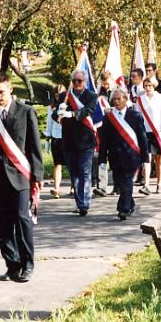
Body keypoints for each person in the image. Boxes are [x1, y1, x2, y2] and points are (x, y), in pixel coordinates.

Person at [0, 74, 43, 282]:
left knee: (22, 219)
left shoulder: (26, 112)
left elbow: (34, 146)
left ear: (11, 90)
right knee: (3, 223)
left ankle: (28, 264)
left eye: (1, 92)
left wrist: (38, 175)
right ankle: (12, 264)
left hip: (21, 177)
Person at [99, 88, 148, 220]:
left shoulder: (135, 116)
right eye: (114, 99)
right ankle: (130, 204)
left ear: (125, 100)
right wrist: (102, 158)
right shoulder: (108, 118)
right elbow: (104, 140)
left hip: (131, 156)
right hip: (115, 157)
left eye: (119, 99)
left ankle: (123, 209)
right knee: (120, 184)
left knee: (127, 181)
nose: (116, 102)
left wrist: (145, 158)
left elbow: (142, 138)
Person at [54, 69, 98, 216]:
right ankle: (80, 202)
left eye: (80, 81)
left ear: (85, 82)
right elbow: (55, 115)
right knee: (74, 173)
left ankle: (84, 204)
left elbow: (88, 110)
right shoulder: (64, 96)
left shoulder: (91, 96)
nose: (77, 83)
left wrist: (72, 114)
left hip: (86, 141)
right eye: (74, 81)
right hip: (69, 140)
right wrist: (59, 112)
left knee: (84, 172)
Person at [136, 77, 161, 194]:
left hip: (158, 132)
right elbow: (137, 115)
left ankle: (159, 183)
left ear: (154, 85)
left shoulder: (160, 98)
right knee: (147, 159)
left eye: (150, 85)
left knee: (158, 159)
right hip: (145, 131)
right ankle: (146, 184)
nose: (148, 88)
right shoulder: (140, 99)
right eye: (145, 86)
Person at [92, 71, 113, 197]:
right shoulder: (99, 94)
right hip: (101, 129)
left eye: (108, 81)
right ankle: (102, 186)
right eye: (104, 82)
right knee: (101, 157)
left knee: (115, 158)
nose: (106, 84)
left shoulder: (118, 92)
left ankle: (118, 185)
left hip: (115, 129)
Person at [44, 84, 65, 198]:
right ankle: (56, 188)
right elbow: (49, 123)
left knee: (71, 164)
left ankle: (73, 188)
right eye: (57, 95)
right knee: (57, 164)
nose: (58, 97)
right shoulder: (52, 108)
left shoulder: (69, 106)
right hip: (56, 137)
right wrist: (47, 140)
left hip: (67, 137)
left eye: (61, 94)